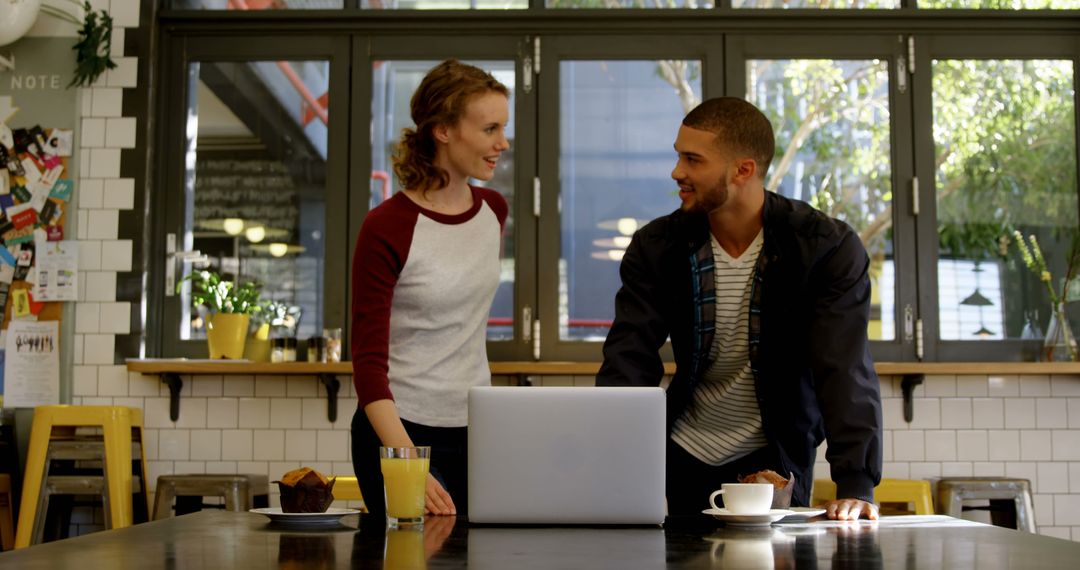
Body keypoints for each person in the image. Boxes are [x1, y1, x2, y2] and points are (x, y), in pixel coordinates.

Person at [596, 97, 882, 520]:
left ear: (743, 169)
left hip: (776, 458)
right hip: (681, 450)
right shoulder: (658, 247)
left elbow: (843, 367)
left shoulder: (825, 248)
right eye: (678, 156)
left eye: (693, 160)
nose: (677, 172)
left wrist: (856, 483)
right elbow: (629, 359)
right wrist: (618, 470)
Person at [350, 60, 510, 517]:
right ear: (443, 130)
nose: (503, 142)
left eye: (504, 127)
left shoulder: (493, 211)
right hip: (398, 433)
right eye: (490, 128)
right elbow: (367, 364)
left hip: (476, 430)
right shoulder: (387, 226)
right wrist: (405, 459)